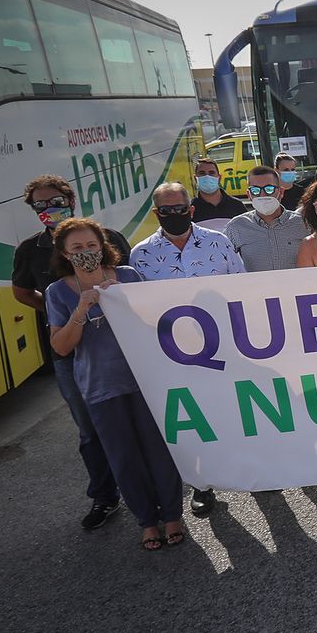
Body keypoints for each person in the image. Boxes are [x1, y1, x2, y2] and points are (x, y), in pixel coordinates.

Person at [45, 218, 185, 549]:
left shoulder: (128, 277)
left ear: (102, 246)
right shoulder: (57, 292)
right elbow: (61, 347)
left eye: (91, 245)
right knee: (123, 458)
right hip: (100, 388)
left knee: (160, 451)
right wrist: (81, 310)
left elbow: (154, 326)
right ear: (64, 253)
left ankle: (172, 516)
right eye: (77, 248)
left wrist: (124, 300)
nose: (85, 252)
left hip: (144, 382)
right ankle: (147, 521)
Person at [10, 175, 129, 530]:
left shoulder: (107, 237)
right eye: (40, 205)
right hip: (70, 356)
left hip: (121, 348)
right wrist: (58, 314)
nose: (49, 209)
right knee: (90, 430)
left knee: (142, 418)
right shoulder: (29, 250)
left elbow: (131, 283)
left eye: (56, 201)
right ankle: (105, 496)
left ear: (71, 201)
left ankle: (156, 488)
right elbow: (21, 292)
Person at [131, 182, 244, 516]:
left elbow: (242, 286)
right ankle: (201, 484)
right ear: (157, 213)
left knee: (234, 409)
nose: (174, 214)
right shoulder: (140, 255)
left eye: (180, 209)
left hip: (225, 345)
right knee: (194, 418)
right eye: (166, 211)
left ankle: (250, 470)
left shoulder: (218, 242)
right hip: (174, 353)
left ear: (191, 209)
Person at [225, 166, 309, 273]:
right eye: (255, 190)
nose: (262, 195)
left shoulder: (303, 223)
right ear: (249, 195)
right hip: (255, 284)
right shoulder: (236, 227)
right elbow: (223, 262)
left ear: (281, 192)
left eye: (269, 189)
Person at [190, 156, 246, 232]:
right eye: (202, 173)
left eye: (211, 173)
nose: (207, 177)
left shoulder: (236, 205)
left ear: (219, 178)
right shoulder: (190, 209)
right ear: (195, 178)